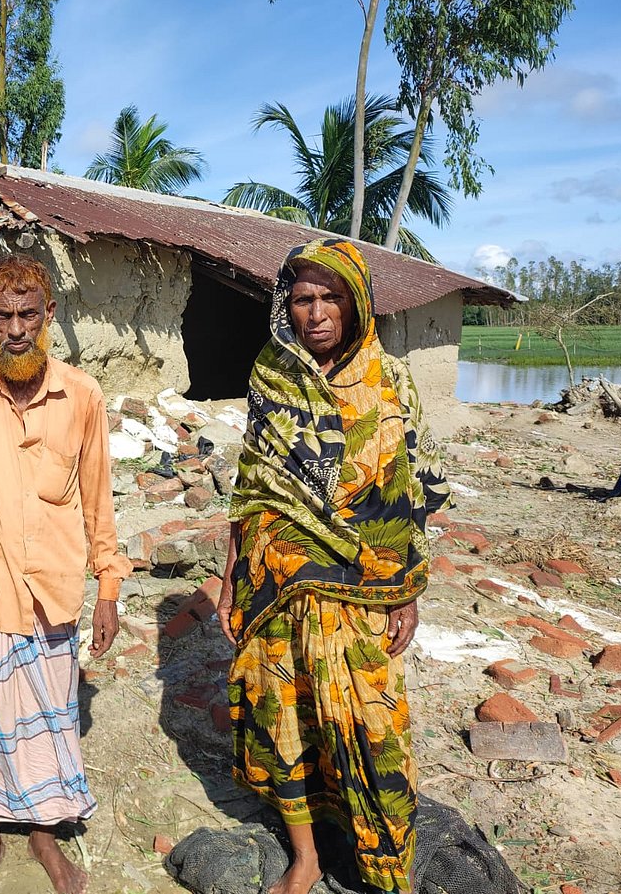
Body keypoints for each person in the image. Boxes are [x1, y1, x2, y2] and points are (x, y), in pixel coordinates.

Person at [216, 238, 450, 894]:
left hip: (363, 586)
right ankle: (307, 857)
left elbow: (411, 494)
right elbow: (253, 481)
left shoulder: (390, 380)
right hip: (276, 582)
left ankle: (383, 869)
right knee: (281, 715)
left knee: (373, 728)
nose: (314, 312)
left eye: (330, 298)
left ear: (357, 304)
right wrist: (233, 576)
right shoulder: (271, 374)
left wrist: (407, 592)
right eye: (301, 298)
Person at [0, 253, 131, 894]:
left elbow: (99, 498)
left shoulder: (82, 395)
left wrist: (109, 587)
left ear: (49, 315)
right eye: (3, 316)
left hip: (54, 584)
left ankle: (43, 835)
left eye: (28, 314)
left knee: (51, 713)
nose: (17, 328)